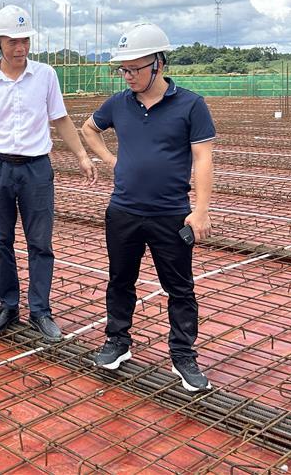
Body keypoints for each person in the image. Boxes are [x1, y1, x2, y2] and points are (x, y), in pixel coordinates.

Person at [0, 5, 97, 342]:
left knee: (40, 242)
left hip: (36, 169)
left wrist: (82, 156)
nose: (20, 47)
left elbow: (60, 119)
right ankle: (7, 306)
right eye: (12, 41)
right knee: (0, 241)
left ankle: (40, 310)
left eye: (24, 40)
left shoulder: (45, 75)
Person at [81, 22, 215, 392]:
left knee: (180, 288)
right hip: (123, 210)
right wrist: (112, 161)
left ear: (158, 63)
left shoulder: (190, 105)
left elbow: (203, 158)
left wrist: (201, 210)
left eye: (134, 69)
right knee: (120, 280)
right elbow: (89, 128)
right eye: (123, 69)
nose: (127, 76)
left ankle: (183, 355)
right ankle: (117, 341)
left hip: (171, 214)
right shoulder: (118, 103)